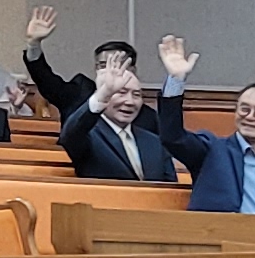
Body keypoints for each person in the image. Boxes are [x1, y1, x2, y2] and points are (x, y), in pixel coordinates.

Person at [151, 41, 255, 216]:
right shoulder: (212, 151)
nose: (250, 116)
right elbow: (173, 137)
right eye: (244, 109)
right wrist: (176, 80)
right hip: (218, 232)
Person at [58, 54, 177, 183]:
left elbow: (171, 187)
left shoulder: (155, 142)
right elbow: (70, 134)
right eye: (121, 93)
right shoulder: (89, 135)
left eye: (136, 95)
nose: (130, 101)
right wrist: (102, 95)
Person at [17, 7, 139, 130]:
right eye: (103, 65)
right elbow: (45, 79)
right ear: (96, 68)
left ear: (132, 70)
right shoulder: (78, 93)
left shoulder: (141, 112)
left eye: (117, 64)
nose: (110, 70)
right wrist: (33, 44)